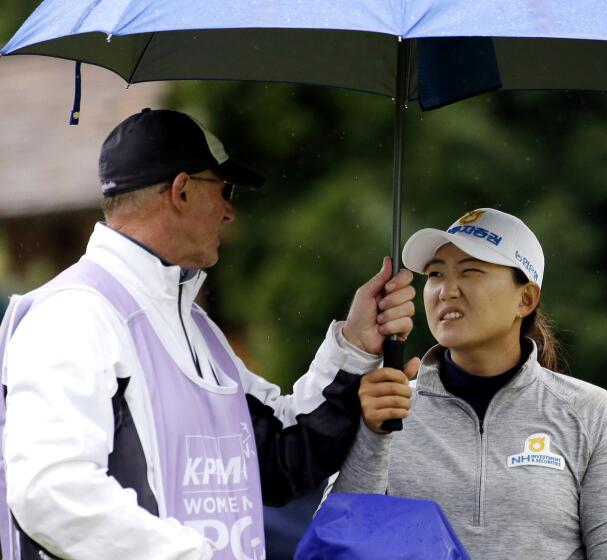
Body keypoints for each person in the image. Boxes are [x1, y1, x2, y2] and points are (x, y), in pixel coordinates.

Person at [0, 108, 415, 560]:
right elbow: (49, 491)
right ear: (181, 191)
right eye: (224, 189)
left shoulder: (198, 330)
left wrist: (354, 347)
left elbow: (280, 461)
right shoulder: (74, 315)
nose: (229, 212)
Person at [330, 208, 607, 559]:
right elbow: (335, 546)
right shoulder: (382, 408)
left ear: (526, 299)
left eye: (470, 271)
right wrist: (372, 436)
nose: (446, 290)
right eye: (436, 274)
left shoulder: (594, 415)